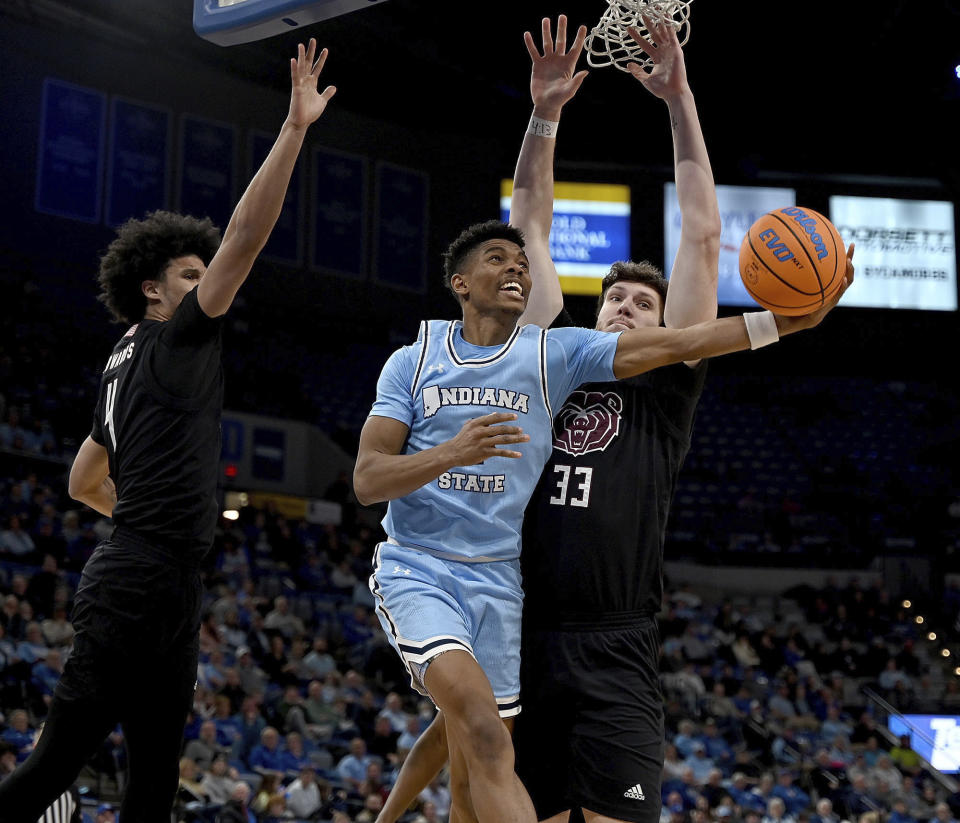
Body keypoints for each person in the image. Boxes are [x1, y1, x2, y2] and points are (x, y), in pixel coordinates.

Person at [357, 14, 852, 823]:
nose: (626, 305)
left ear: (666, 326)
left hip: (618, 639)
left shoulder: (670, 378)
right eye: (615, 297)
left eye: (643, 303)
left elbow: (702, 233)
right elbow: (529, 222)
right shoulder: (548, 355)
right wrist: (544, 111)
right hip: (523, 620)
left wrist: (680, 99)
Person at [0, 39, 337, 823]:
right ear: (154, 290)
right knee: (59, 760)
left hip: (158, 575)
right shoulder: (174, 336)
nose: (206, 280)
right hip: (143, 577)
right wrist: (293, 129)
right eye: (191, 274)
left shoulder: (120, 361)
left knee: (153, 778)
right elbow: (246, 238)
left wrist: (147, 526)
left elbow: (84, 480)